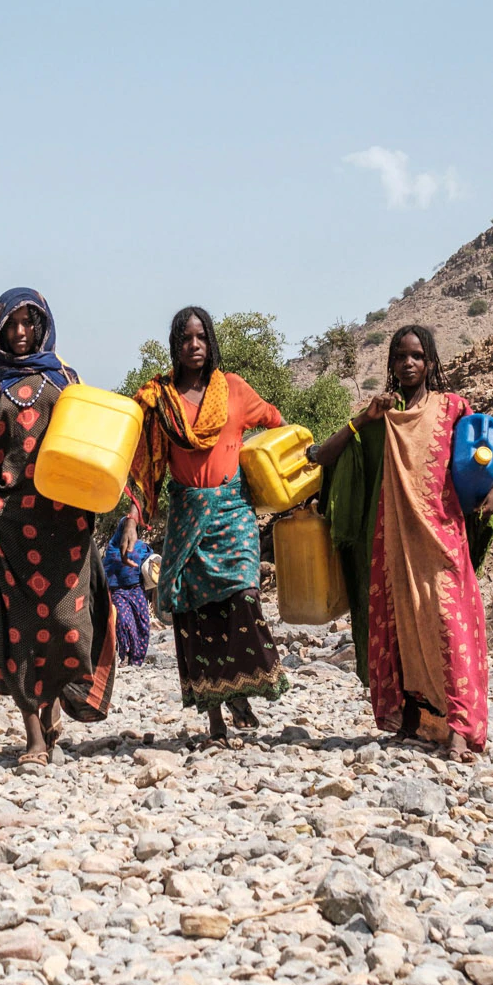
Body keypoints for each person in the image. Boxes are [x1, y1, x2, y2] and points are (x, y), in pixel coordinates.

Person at [312, 325, 493, 762]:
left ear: (431, 362)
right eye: (400, 356)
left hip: (442, 538)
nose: (409, 363)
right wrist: (363, 419)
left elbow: (488, 453)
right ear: (391, 364)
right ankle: (417, 722)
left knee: (450, 628)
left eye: (417, 356)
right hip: (393, 544)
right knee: (405, 633)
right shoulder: (383, 418)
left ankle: (460, 729)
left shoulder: (453, 408)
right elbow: (323, 456)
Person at [0, 288, 115, 765]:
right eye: (12, 324)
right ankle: (34, 736)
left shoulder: (68, 381)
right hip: (11, 527)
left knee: (69, 625)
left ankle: (56, 705)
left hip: (65, 525)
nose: (21, 332)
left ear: (42, 325)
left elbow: (90, 447)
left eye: (29, 322)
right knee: (21, 629)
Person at [121, 307, 288, 745]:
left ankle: (243, 688)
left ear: (210, 342)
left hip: (233, 512)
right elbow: (145, 465)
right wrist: (133, 520)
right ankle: (214, 711)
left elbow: (275, 422)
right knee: (197, 614)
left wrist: (291, 471)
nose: (193, 345)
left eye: (200, 337)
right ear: (175, 345)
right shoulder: (160, 400)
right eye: (185, 338)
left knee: (243, 597)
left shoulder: (232, 388)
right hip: (187, 513)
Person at [102, 520, 154, 666]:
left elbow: (152, 564)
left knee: (142, 623)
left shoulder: (143, 547)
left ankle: (136, 659)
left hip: (137, 589)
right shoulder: (112, 547)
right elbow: (106, 569)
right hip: (118, 590)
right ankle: (124, 654)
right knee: (123, 621)